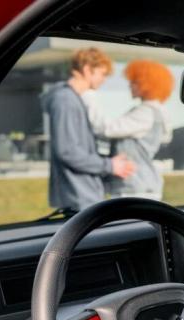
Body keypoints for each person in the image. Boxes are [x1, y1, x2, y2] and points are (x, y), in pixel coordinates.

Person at [40, 48, 135, 212]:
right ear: (86, 69)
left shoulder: (72, 99)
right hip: (78, 197)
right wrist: (109, 166)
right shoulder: (65, 100)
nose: (104, 80)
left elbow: (75, 148)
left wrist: (110, 162)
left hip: (81, 196)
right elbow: (67, 151)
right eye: (102, 74)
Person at [82, 59, 173, 200]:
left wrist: (88, 94)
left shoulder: (146, 112)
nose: (130, 85)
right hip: (140, 187)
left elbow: (106, 129)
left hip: (135, 188)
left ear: (147, 84)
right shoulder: (156, 111)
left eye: (134, 82)